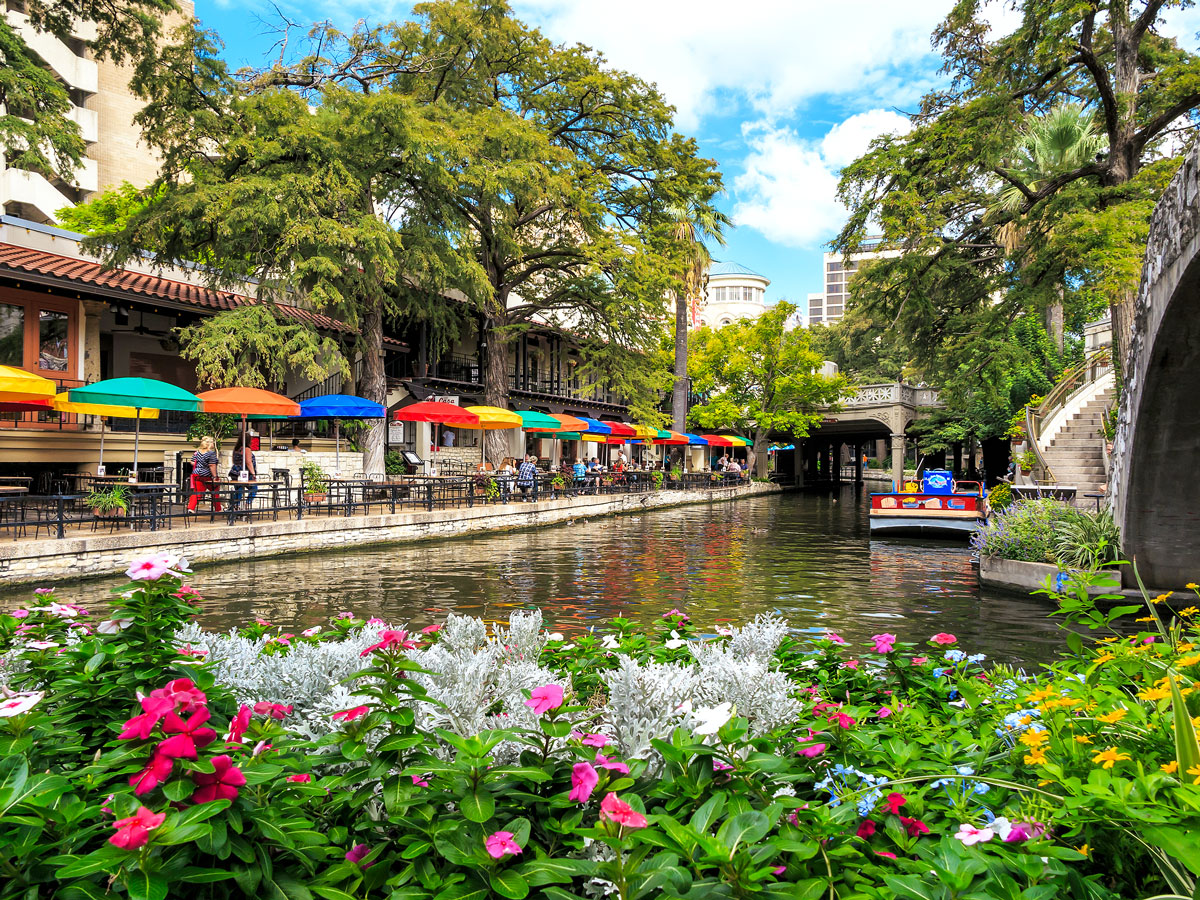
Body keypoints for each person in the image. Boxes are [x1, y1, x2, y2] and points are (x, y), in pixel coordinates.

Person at [187, 436, 222, 513]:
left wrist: (200, 465)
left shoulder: (197, 452)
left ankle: (191, 508)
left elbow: (192, 462)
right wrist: (215, 476)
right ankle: (218, 508)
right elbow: (212, 465)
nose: (213, 444)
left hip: (196, 474)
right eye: (212, 442)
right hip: (207, 475)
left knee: (197, 491)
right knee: (215, 490)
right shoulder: (211, 453)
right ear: (209, 444)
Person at [229, 432, 258, 516]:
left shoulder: (236, 449)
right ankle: (247, 504)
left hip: (235, 472)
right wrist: (253, 473)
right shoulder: (246, 449)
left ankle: (235, 506)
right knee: (254, 488)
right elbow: (249, 462)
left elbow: (234, 461)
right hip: (245, 473)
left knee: (239, 489)